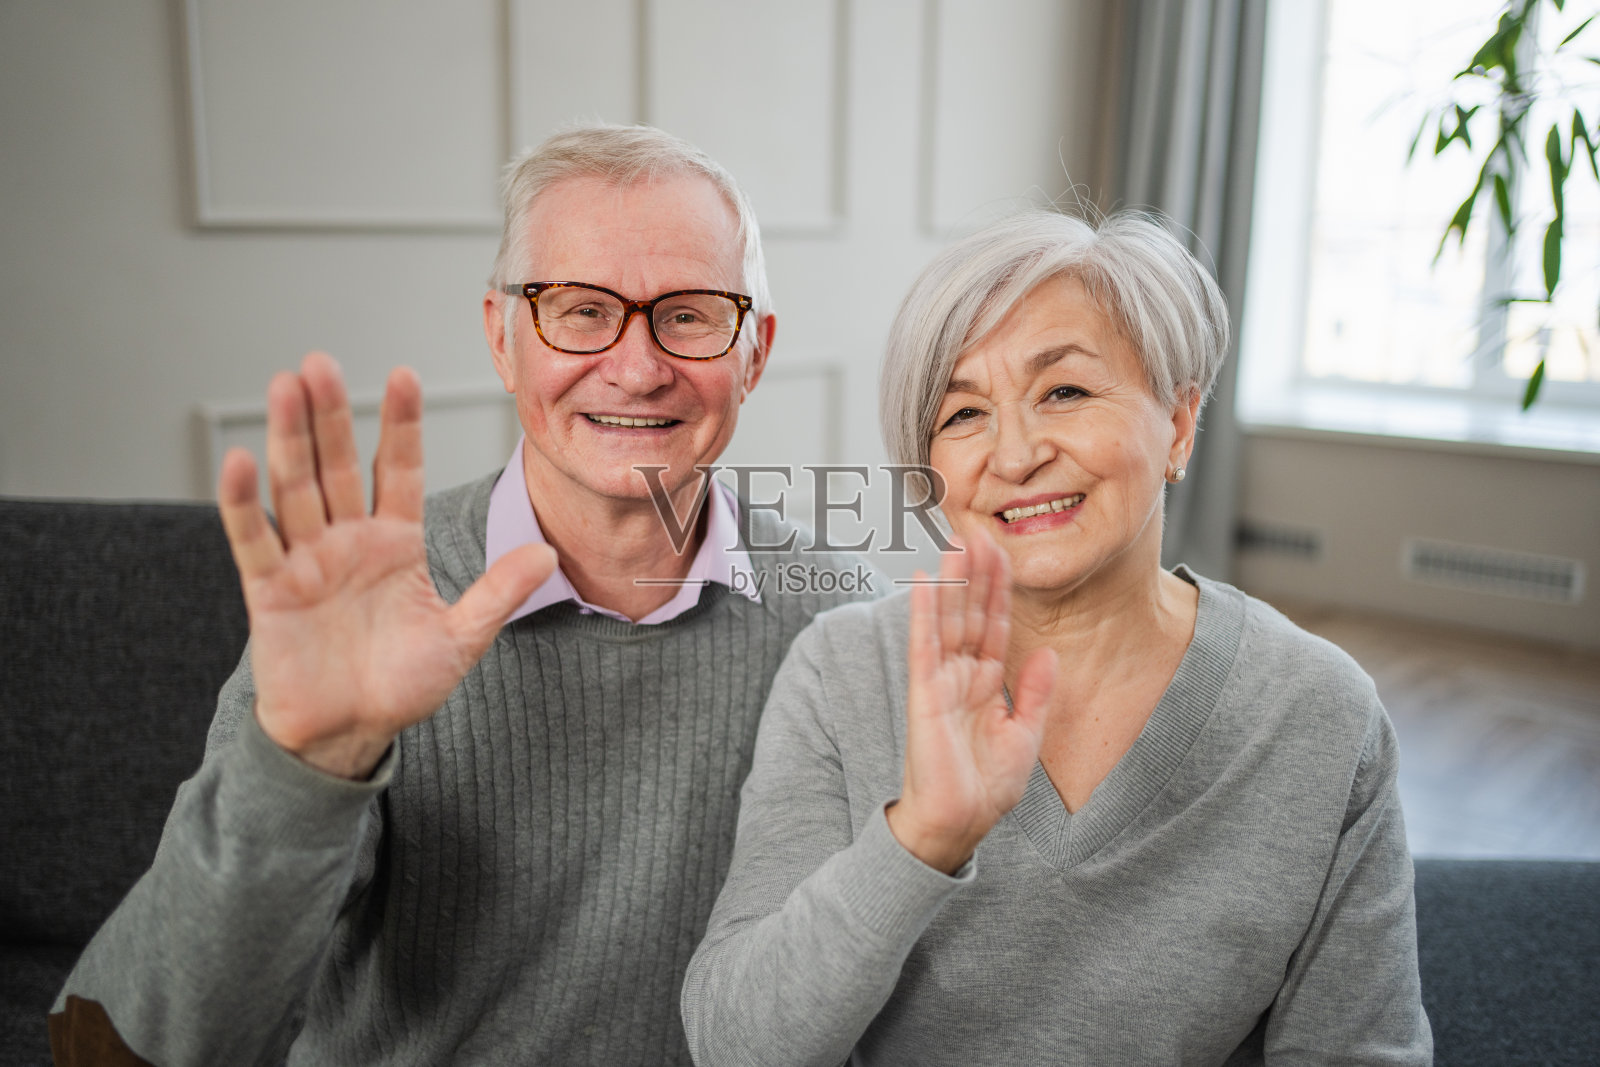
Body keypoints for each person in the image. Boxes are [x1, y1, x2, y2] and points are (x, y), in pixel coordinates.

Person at [49, 124, 875, 1065]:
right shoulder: (374, 610)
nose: (638, 366)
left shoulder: (844, 621)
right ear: (502, 337)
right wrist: (310, 762)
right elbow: (131, 1042)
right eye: (578, 308)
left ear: (754, 352)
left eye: (688, 314)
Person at [681, 209, 1433, 1065]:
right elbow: (732, 1044)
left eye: (1065, 391)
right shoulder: (842, 670)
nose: (1015, 453)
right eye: (963, 414)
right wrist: (920, 837)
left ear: (1179, 424)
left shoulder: (1318, 714)